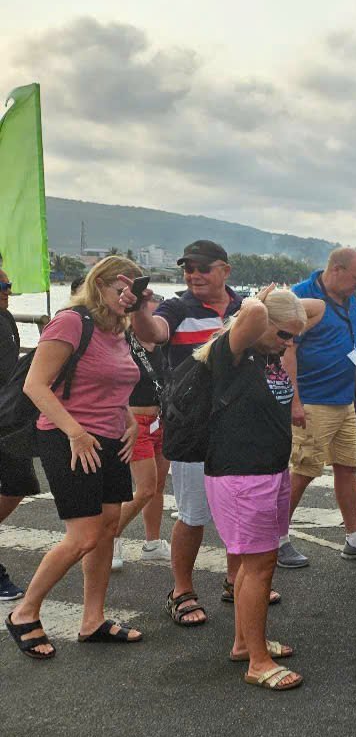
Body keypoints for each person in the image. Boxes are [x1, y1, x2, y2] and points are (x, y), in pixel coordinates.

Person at [6, 256, 143, 658]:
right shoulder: (71, 321)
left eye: (133, 292)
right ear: (99, 284)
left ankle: (93, 620)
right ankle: (24, 612)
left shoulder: (117, 328)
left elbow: (115, 381)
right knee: (83, 535)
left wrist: (130, 419)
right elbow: (36, 385)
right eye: (121, 289)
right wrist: (75, 432)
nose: (128, 298)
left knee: (107, 528)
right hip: (69, 440)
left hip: (110, 438)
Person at [194, 285, 324, 689]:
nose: (288, 344)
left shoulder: (267, 354)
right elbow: (250, 315)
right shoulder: (231, 354)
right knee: (258, 565)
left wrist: (279, 308)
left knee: (255, 565)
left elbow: (315, 308)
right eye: (282, 334)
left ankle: (244, 644)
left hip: (267, 470)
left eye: (293, 338)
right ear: (259, 323)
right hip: (241, 474)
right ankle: (258, 662)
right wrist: (257, 300)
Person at [131, 240, 255, 625]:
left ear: (225, 270)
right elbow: (152, 331)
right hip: (193, 427)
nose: (194, 275)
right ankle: (181, 590)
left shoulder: (245, 309)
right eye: (188, 269)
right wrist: (137, 307)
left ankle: (236, 580)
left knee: (241, 511)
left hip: (240, 426)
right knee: (192, 515)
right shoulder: (179, 307)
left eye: (203, 268)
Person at [276, 248, 356, 569]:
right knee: (304, 469)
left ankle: (354, 538)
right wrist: (294, 400)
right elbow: (287, 352)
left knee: (347, 466)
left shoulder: (352, 297)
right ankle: (277, 539)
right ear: (336, 270)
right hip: (313, 400)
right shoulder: (301, 297)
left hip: (345, 398)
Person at [110, 294, 172, 571]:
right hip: (133, 423)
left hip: (160, 420)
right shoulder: (121, 340)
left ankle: (153, 543)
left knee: (157, 486)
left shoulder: (160, 344)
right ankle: (109, 536)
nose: (154, 324)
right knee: (145, 488)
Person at [0, 267, 38, 601]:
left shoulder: (6, 318)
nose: (7, 289)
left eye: (9, 284)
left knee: (18, 486)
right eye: (2, 285)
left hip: (8, 419)